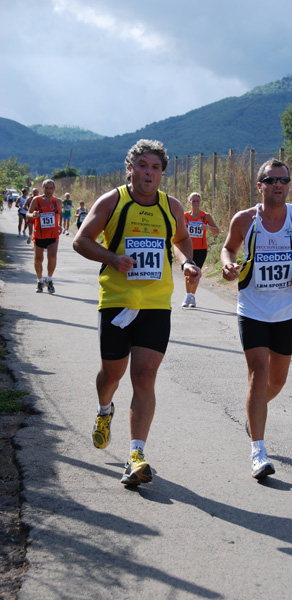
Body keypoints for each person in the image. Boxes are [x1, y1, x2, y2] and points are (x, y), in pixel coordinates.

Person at [73, 139, 201, 486]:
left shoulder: (170, 206)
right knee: (111, 374)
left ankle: (136, 454)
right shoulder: (113, 201)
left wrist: (188, 261)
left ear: (162, 172)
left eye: (155, 167)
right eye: (142, 166)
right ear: (130, 168)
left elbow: (181, 238)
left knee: (144, 376)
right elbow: (81, 240)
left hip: (156, 303)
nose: (148, 172)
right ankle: (104, 411)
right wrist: (113, 259)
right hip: (116, 300)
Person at [220, 158, 292, 480]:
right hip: (253, 308)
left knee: (276, 381)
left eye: (284, 179)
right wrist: (228, 265)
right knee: (258, 375)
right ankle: (258, 451)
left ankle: (254, 412)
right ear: (259, 186)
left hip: (287, 309)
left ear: (289, 185)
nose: (279, 184)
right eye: (272, 179)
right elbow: (228, 249)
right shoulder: (245, 220)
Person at [182, 192, 219, 307]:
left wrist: (207, 226)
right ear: (189, 202)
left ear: (200, 202)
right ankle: (188, 296)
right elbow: (177, 229)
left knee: (196, 273)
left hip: (201, 249)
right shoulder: (185, 216)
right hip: (188, 249)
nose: (195, 203)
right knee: (188, 273)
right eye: (193, 201)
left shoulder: (205, 216)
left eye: (197, 201)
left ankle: (192, 296)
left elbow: (217, 231)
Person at [26, 179, 63, 294]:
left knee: (52, 257)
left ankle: (49, 279)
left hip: (53, 235)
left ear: (54, 189)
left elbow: (60, 214)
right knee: (38, 259)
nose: (49, 190)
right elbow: (28, 213)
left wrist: (60, 225)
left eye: (51, 188)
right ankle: (39, 280)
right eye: (46, 188)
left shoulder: (58, 201)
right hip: (39, 235)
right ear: (43, 189)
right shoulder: (36, 200)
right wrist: (33, 215)